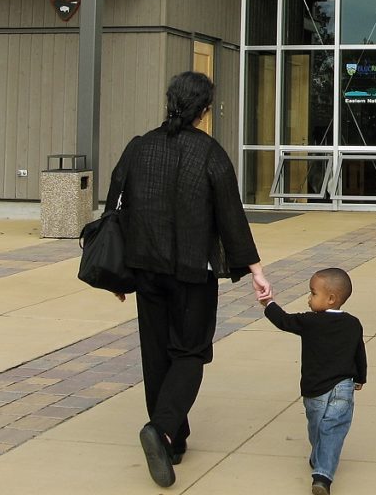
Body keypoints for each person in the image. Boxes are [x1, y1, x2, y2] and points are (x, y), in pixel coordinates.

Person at [107, 71, 272, 488]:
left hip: (145, 268)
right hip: (192, 272)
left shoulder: (138, 147)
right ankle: (162, 429)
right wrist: (256, 270)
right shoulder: (209, 152)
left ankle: (174, 442)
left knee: (156, 354)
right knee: (190, 352)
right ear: (204, 110)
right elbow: (231, 215)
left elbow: (116, 209)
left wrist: (118, 274)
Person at [260, 267, 367, 495]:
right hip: (343, 388)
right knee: (331, 430)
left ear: (331, 298)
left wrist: (268, 303)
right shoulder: (353, 323)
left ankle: (322, 476)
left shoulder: (310, 321)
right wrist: (360, 377)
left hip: (315, 390)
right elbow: (359, 352)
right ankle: (321, 463)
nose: (308, 299)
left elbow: (284, 320)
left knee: (319, 428)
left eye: (312, 293)